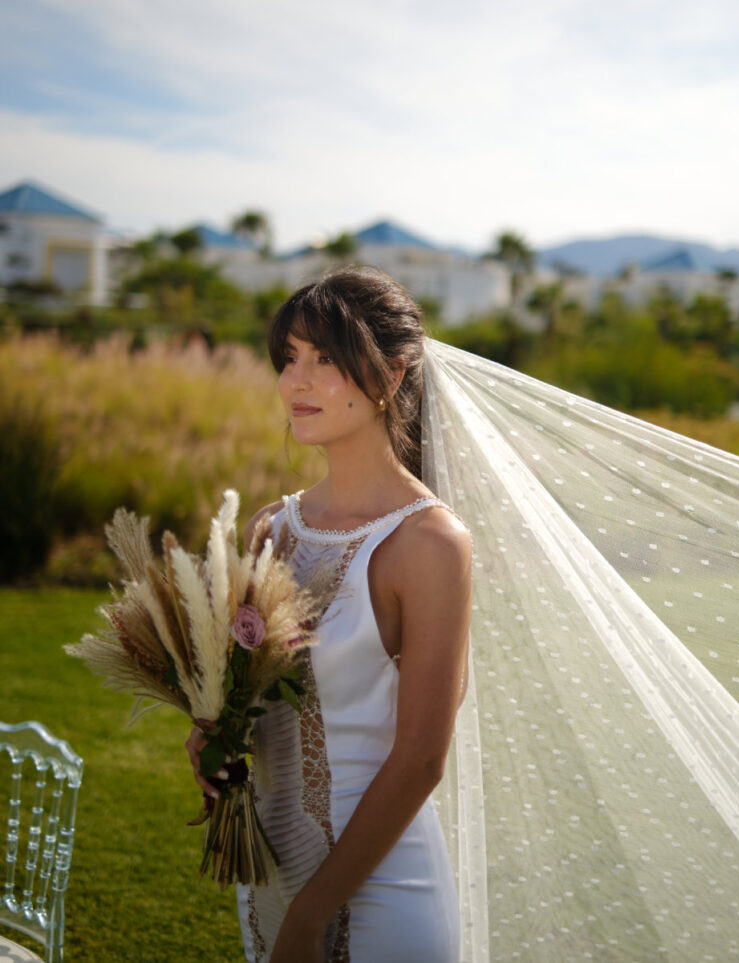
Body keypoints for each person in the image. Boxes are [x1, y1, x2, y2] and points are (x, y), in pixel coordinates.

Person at [187, 266, 471, 963]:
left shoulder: (429, 544)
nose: (297, 381)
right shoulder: (268, 530)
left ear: (390, 376)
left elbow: (423, 758)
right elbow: (253, 699)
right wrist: (213, 739)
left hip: (382, 888)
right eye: (289, 357)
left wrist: (311, 918)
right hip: (270, 879)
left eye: (325, 359)